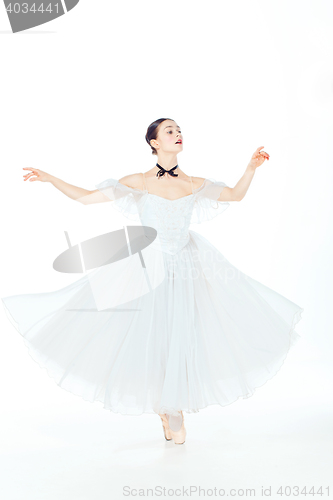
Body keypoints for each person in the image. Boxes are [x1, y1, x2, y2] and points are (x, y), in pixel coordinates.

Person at [2, 117, 303, 445]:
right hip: (148, 265)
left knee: (183, 331)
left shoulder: (192, 182)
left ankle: (173, 406)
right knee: (152, 334)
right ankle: (165, 405)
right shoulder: (138, 181)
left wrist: (251, 169)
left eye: (179, 130)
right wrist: (50, 178)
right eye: (170, 131)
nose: (178, 134)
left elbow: (234, 195)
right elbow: (87, 198)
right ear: (154, 143)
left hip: (188, 263)